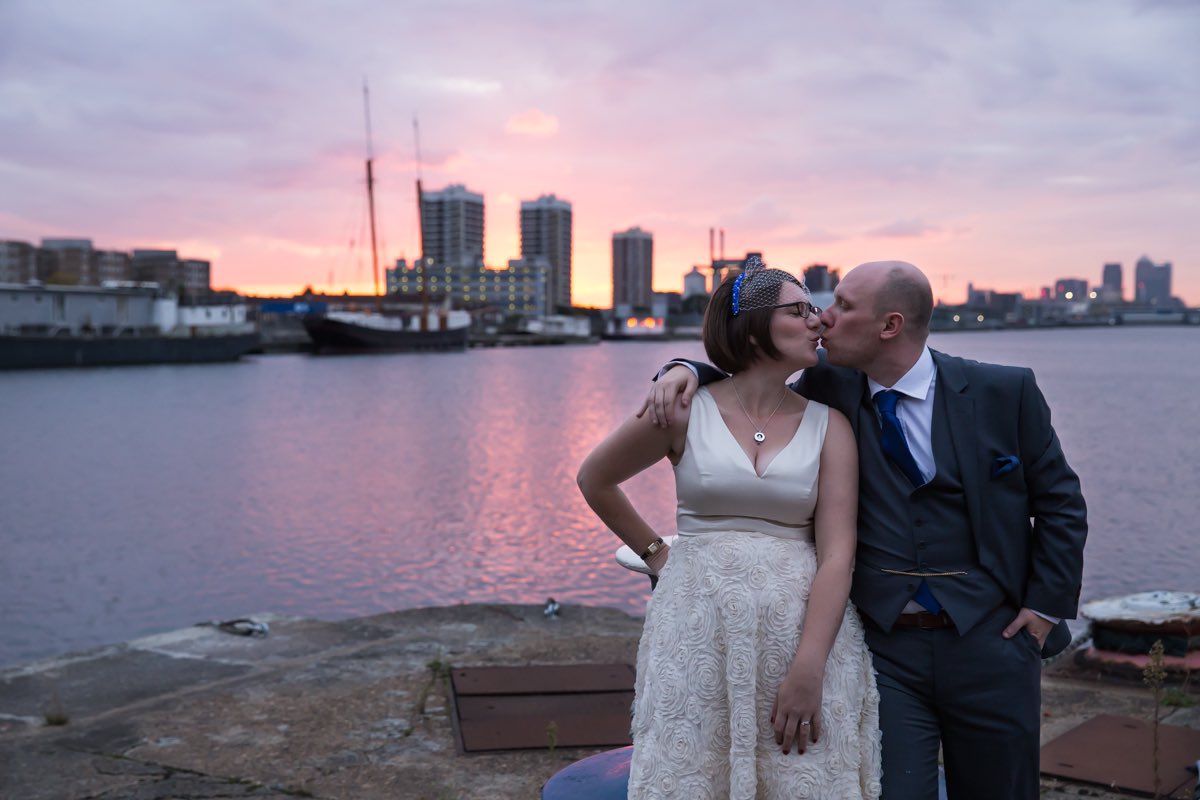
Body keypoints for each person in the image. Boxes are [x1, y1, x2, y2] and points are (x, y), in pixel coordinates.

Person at [645, 260, 1088, 800]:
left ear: (890, 326)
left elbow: (1062, 504)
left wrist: (1043, 610)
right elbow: (752, 378)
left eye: (843, 306)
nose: (824, 318)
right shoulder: (829, 386)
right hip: (886, 649)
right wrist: (683, 369)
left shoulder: (1004, 391)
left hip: (992, 641)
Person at [578, 257, 882, 798]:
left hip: (801, 637)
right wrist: (657, 555)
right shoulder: (682, 408)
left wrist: (809, 669)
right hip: (696, 631)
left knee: (804, 777)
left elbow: (839, 554)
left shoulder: (829, 424)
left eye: (815, 309)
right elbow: (596, 479)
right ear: (753, 324)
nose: (817, 321)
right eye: (799, 309)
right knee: (693, 775)